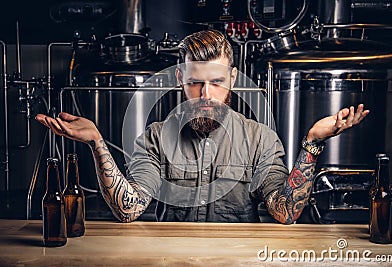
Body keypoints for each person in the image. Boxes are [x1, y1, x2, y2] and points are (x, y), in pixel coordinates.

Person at [36, 29, 369, 223]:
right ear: (180, 79)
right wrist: (97, 142)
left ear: (233, 80)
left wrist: (311, 143)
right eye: (196, 83)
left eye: (217, 82)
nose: (206, 95)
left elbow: (285, 211)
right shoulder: (155, 138)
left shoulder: (260, 140)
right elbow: (129, 209)